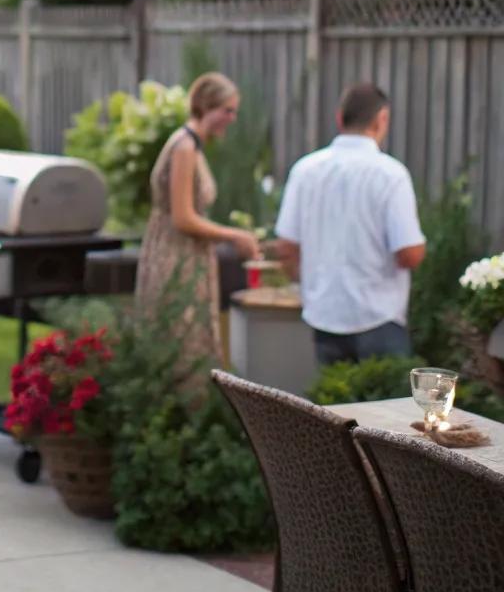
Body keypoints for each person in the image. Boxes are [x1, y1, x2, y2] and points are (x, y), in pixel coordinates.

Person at [275, 82, 426, 367]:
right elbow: (409, 254)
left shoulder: (305, 170)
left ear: (339, 117)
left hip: (324, 315)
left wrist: (308, 282)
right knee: (387, 408)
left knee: (335, 407)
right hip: (379, 316)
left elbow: (286, 246)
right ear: (382, 119)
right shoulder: (391, 175)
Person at [136, 73, 261, 371]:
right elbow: (183, 218)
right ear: (206, 106)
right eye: (227, 110)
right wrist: (235, 236)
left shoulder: (191, 143)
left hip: (187, 256)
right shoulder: (185, 147)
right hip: (176, 259)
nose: (232, 118)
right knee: (180, 352)